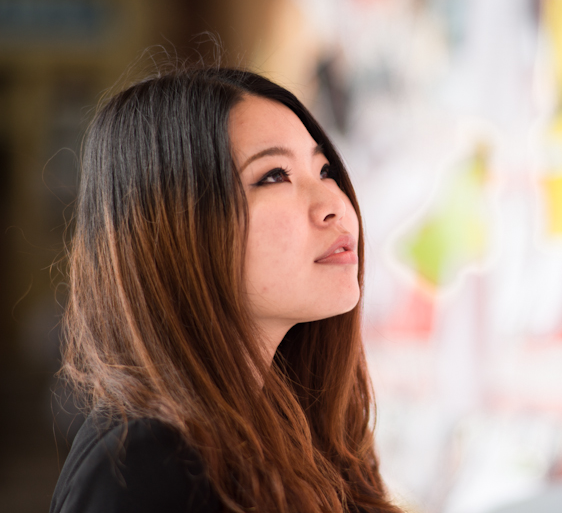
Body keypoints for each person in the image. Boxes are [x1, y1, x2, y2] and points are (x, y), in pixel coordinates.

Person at [50, 67, 403, 513]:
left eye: (325, 170)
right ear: (177, 228)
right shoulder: (145, 467)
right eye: (274, 175)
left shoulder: (299, 427)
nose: (334, 204)